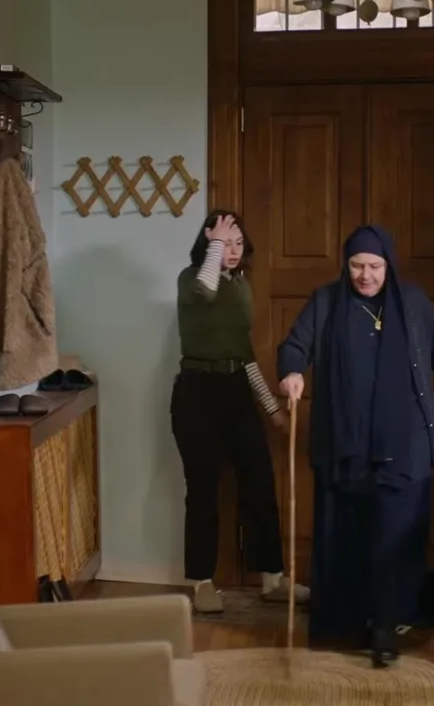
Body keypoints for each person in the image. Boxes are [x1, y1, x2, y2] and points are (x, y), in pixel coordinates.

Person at [276, 224, 434, 668]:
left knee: (392, 540)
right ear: (345, 265)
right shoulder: (326, 301)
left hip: (404, 447)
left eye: (374, 266)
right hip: (345, 448)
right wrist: (292, 372)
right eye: (357, 265)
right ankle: (345, 624)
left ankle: (385, 627)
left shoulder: (413, 304)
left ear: (389, 266)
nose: (365, 275)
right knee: (347, 538)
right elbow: (294, 346)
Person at [171, 210, 310, 614]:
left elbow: (244, 354)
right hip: (196, 392)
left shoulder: (241, 286)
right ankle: (202, 582)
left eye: (237, 242)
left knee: (260, 484)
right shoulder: (190, 278)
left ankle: (272, 579)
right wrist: (215, 243)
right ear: (208, 242)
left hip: (235, 391)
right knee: (203, 491)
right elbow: (205, 291)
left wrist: (271, 409)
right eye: (223, 242)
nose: (232, 250)